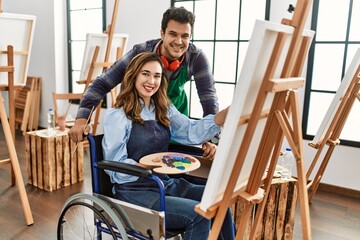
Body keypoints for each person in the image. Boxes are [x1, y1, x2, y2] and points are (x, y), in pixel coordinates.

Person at [102, 51, 234, 240]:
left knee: (220, 200)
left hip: (166, 184)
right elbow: (115, 166)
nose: (151, 81)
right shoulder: (118, 116)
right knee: (199, 216)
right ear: (134, 76)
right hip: (137, 192)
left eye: (157, 76)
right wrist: (143, 167)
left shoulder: (164, 109)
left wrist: (229, 112)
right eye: (145, 74)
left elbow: (192, 131)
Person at [69, 6, 219, 159]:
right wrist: (82, 120)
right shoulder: (140, 53)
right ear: (162, 33)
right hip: (137, 115)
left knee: (175, 169)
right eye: (173, 34)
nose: (179, 41)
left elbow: (209, 100)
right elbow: (102, 84)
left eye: (185, 36)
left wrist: (209, 138)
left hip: (174, 116)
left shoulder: (196, 58)